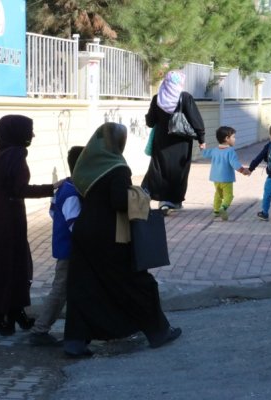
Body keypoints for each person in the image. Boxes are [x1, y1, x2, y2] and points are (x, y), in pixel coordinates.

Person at [63, 122, 182, 358]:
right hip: (111, 234)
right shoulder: (117, 167)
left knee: (84, 285)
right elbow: (119, 201)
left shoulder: (85, 167)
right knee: (138, 283)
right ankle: (159, 332)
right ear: (117, 142)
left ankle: (75, 341)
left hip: (85, 231)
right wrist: (140, 194)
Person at [0, 115, 61, 336]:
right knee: (11, 263)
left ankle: (14, 311)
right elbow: (20, 189)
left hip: (1, 212)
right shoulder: (15, 154)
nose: (32, 135)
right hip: (9, 214)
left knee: (11, 262)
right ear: (16, 132)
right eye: (29, 130)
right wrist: (53, 187)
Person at [29, 146, 84, 346]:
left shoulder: (65, 187)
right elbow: (75, 225)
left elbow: (53, 212)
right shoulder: (72, 192)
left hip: (65, 247)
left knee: (63, 288)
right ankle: (40, 329)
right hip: (70, 250)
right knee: (60, 289)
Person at [143, 70, 206, 214]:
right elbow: (195, 120)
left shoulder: (157, 98)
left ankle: (159, 199)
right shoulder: (185, 97)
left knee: (159, 169)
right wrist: (201, 138)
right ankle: (173, 201)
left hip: (161, 141)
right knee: (179, 170)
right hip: (181, 142)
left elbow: (150, 122)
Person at [201, 126, 250, 221]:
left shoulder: (214, 150)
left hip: (215, 178)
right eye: (233, 137)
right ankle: (223, 208)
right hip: (226, 178)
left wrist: (202, 147)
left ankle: (216, 210)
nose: (235, 139)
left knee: (218, 194)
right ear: (227, 139)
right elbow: (234, 163)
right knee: (229, 195)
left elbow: (205, 154)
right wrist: (243, 170)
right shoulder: (230, 151)